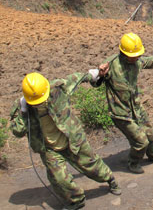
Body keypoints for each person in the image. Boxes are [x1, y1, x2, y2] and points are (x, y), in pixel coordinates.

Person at [10, 71, 121, 210]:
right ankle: (76, 200)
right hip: (49, 148)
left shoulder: (57, 88)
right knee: (58, 179)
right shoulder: (22, 107)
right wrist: (24, 111)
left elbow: (76, 78)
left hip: (72, 139)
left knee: (91, 164)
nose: (41, 103)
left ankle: (110, 180)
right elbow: (17, 131)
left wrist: (94, 74)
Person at [95, 32, 153, 174]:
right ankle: (133, 162)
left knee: (149, 133)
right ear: (124, 53)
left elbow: (146, 62)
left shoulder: (137, 60)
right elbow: (96, 82)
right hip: (120, 112)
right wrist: (99, 75)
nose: (136, 57)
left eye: (138, 55)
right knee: (140, 141)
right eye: (133, 56)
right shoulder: (111, 64)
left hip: (136, 107)